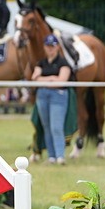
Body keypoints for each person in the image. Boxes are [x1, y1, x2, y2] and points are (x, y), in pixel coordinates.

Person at [31, 33, 72, 164]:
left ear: (57, 47)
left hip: (58, 96)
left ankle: (60, 155)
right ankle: (51, 156)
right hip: (42, 96)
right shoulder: (41, 63)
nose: (50, 49)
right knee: (46, 126)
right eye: (48, 46)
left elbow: (61, 81)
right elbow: (34, 79)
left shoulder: (63, 62)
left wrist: (44, 79)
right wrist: (51, 78)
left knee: (56, 126)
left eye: (52, 46)